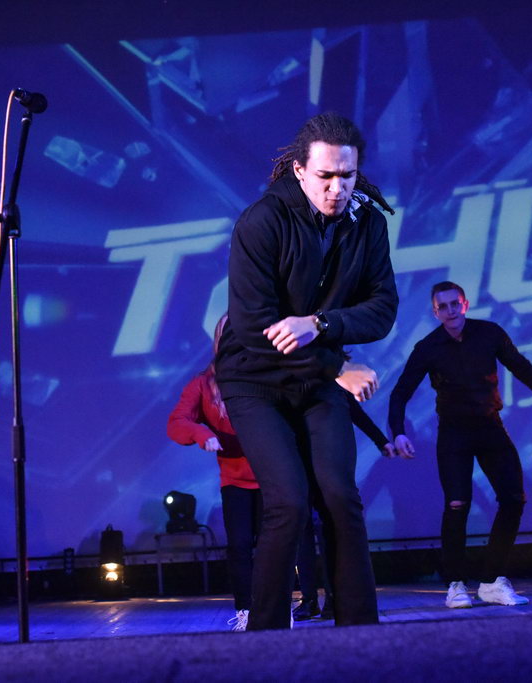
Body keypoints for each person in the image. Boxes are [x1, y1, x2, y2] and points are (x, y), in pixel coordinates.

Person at [215, 112, 398, 630]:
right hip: (255, 378)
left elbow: (382, 308)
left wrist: (320, 324)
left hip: (316, 377)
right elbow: (253, 327)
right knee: (289, 502)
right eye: (325, 176)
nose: (337, 188)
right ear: (299, 170)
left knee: (340, 495)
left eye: (348, 175)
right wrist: (337, 365)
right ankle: (268, 631)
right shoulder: (261, 221)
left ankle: (359, 631)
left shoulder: (368, 224)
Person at [387, 281, 532, 609]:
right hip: (454, 434)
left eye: (455, 304)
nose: (450, 311)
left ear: (465, 304)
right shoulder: (428, 347)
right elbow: (400, 392)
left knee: (514, 499)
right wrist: (399, 432)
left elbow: (522, 367)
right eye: (443, 306)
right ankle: (456, 585)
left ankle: (491, 581)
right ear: (435, 312)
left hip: (491, 427)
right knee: (457, 505)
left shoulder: (489, 333)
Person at [167, 314, 260, 632]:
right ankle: (246, 610)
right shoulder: (203, 384)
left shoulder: (265, 375)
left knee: (276, 545)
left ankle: (275, 605)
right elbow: (177, 422)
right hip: (236, 480)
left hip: (273, 474)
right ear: (219, 342)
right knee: (240, 545)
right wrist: (201, 433)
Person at [293, 372, 400, 621]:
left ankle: (333, 598)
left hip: (325, 458)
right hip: (296, 457)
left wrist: (381, 441)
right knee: (302, 530)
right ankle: (309, 600)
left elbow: (351, 408)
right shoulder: (284, 375)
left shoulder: (328, 375)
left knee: (328, 528)